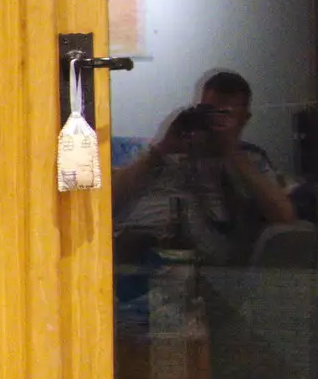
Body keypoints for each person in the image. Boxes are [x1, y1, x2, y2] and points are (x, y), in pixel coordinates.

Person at [113, 70, 296, 266]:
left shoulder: (251, 159)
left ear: (244, 119)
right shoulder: (161, 153)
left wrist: (231, 151)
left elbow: (284, 216)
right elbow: (106, 201)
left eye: (225, 113)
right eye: (207, 111)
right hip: (135, 251)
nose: (213, 120)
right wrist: (162, 150)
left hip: (201, 264)